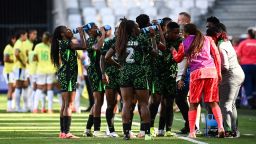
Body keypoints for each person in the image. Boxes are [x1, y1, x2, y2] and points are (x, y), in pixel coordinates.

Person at [105, 18, 157, 140]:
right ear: (133, 29)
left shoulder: (120, 40)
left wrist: (120, 66)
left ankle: (126, 133)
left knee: (126, 103)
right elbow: (154, 52)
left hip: (125, 73)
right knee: (144, 103)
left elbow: (107, 57)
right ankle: (147, 134)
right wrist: (153, 38)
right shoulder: (141, 39)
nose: (139, 29)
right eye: (137, 27)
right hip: (139, 72)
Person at [171, 23, 225, 138]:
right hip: (211, 72)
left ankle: (192, 132)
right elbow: (216, 56)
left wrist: (173, 51)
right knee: (213, 102)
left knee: (194, 103)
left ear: (185, 33)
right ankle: (220, 127)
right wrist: (219, 73)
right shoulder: (208, 39)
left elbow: (177, 59)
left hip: (197, 74)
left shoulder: (184, 43)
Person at [206, 23, 244, 138]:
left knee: (225, 104)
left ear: (215, 36)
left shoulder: (221, 47)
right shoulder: (227, 42)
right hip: (238, 74)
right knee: (231, 104)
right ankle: (234, 130)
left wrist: (215, 73)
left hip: (230, 75)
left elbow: (225, 66)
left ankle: (228, 131)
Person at [51, 26, 87, 138]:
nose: (70, 31)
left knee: (64, 105)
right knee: (69, 104)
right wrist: (81, 33)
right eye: (67, 30)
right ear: (62, 34)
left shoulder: (62, 43)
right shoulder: (67, 43)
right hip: (68, 75)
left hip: (65, 74)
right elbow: (84, 46)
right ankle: (67, 132)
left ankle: (63, 132)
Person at [82, 22, 106, 137]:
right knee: (98, 101)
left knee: (99, 101)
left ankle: (88, 129)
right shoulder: (91, 40)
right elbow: (97, 48)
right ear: (89, 31)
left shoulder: (96, 38)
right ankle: (96, 130)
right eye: (94, 27)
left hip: (98, 69)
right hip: (95, 70)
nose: (97, 28)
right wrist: (103, 35)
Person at [100, 26, 119, 137]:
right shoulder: (109, 42)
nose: (118, 34)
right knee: (110, 103)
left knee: (122, 103)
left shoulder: (128, 42)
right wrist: (103, 73)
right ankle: (110, 129)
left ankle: (127, 130)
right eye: (116, 32)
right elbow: (102, 58)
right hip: (111, 75)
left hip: (123, 76)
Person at [33, 32, 56, 113]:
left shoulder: (37, 46)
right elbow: (55, 59)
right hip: (51, 70)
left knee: (39, 88)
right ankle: (50, 109)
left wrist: (41, 62)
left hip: (40, 70)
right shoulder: (52, 46)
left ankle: (35, 108)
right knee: (50, 89)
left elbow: (34, 58)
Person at [236, 28, 256, 109]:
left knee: (248, 84)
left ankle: (251, 102)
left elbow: (238, 55)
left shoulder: (243, 43)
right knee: (254, 84)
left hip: (245, 66)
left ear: (248, 34)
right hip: (255, 65)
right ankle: (253, 101)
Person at [13, 30, 28, 112]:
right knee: (18, 86)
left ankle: (19, 106)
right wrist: (22, 62)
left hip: (21, 67)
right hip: (19, 67)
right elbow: (16, 53)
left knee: (21, 86)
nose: (26, 37)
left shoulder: (21, 43)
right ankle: (17, 107)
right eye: (25, 35)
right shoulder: (18, 43)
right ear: (22, 35)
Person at [24, 29, 37, 112]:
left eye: (36, 34)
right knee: (29, 88)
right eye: (33, 34)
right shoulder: (26, 44)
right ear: (29, 34)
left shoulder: (32, 44)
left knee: (30, 88)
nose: (35, 35)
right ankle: (28, 106)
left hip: (31, 69)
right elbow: (26, 57)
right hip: (28, 69)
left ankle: (29, 106)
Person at [3, 34, 17, 112]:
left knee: (14, 89)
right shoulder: (8, 48)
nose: (16, 41)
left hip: (13, 71)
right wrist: (14, 60)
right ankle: (9, 107)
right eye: (15, 39)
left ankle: (12, 106)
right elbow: (5, 59)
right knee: (10, 88)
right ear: (12, 39)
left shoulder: (14, 48)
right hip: (8, 71)